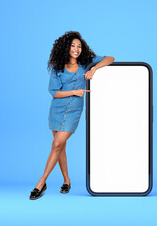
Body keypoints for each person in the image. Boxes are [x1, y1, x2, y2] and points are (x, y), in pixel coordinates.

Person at [29, 31, 115, 200]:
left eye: (79, 46)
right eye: (73, 45)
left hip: (74, 111)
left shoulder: (86, 63)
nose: (76, 49)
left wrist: (95, 70)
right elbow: (54, 92)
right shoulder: (57, 68)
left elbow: (110, 58)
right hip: (57, 110)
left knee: (57, 144)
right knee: (60, 146)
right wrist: (75, 91)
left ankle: (41, 182)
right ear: (65, 48)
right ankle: (67, 180)